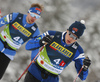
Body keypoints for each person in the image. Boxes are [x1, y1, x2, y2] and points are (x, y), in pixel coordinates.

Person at [24, 20, 91, 82]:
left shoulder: (78, 51)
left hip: (51, 79)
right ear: (67, 30)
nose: (71, 38)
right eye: (70, 34)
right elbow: (28, 46)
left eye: (74, 37)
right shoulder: (52, 35)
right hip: (34, 73)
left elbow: (82, 77)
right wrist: (41, 42)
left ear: (77, 39)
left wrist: (85, 68)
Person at [0, 3, 43, 79]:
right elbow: (1, 22)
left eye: (37, 17)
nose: (34, 18)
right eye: (33, 15)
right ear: (28, 12)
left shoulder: (35, 30)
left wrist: (33, 60)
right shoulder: (15, 16)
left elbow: (35, 47)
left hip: (8, 54)